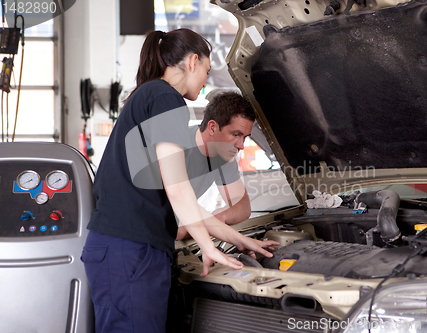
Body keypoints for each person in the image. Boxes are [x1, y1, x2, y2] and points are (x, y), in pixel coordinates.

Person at [81, 29, 279, 333]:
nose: (205, 80)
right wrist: (207, 246)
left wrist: (239, 239)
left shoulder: (148, 95)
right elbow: (177, 188)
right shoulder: (165, 98)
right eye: (207, 71)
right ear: (192, 61)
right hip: (131, 251)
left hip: (124, 249)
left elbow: (182, 201)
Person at [176, 91, 255, 240]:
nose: (241, 145)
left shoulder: (223, 154)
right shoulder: (176, 149)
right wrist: (209, 224)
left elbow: (242, 204)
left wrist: (220, 216)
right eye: (236, 134)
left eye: (244, 137)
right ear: (212, 127)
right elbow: (172, 225)